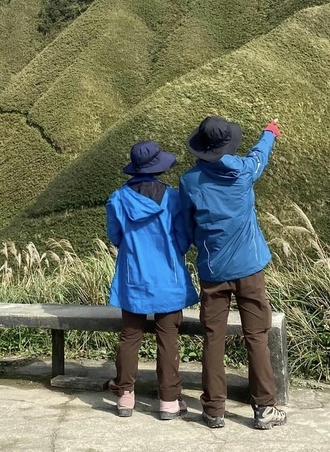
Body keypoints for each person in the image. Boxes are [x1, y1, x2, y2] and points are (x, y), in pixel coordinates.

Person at [180, 116, 287, 431]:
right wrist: (270, 132)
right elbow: (260, 154)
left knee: (214, 338)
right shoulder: (243, 172)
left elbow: (186, 229)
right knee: (257, 337)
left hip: (213, 270)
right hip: (250, 267)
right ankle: (265, 409)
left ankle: (214, 410)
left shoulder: (189, 182)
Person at [106, 140, 199, 419]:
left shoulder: (118, 199)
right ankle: (169, 401)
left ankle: (124, 397)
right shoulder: (172, 198)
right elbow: (184, 239)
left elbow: (115, 237)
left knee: (130, 336)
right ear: (158, 167)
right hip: (168, 278)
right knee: (168, 336)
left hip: (133, 276)